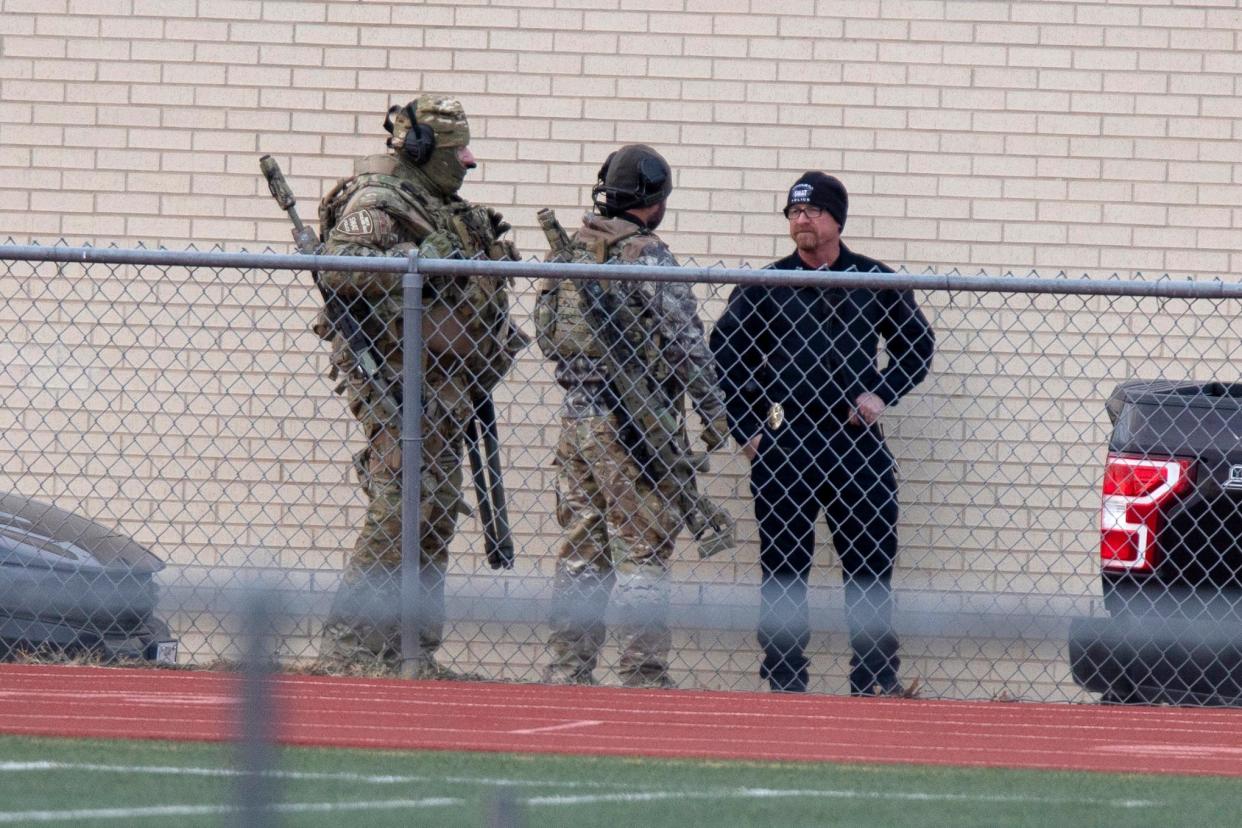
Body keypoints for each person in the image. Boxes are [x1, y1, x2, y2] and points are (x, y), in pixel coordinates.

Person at [313, 94, 525, 678]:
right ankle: (350, 649)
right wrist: (417, 260)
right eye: (458, 151)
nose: (468, 162)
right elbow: (338, 265)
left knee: (433, 512)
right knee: (398, 508)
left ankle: (411, 651)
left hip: (445, 387)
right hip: (398, 383)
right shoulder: (381, 198)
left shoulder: (435, 201)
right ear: (423, 148)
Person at [710, 171, 934, 695]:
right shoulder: (767, 284)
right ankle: (785, 677)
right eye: (793, 212)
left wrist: (881, 393)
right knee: (783, 569)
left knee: (871, 565)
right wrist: (749, 432)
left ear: (836, 219)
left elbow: (916, 348)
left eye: (810, 211)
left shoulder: (873, 280)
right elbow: (726, 361)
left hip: (856, 445)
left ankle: (874, 677)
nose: (800, 220)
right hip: (787, 443)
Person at [534, 144, 731, 687]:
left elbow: (549, 335)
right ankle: (644, 675)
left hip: (577, 419)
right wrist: (713, 411)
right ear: (653, 196)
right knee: (642, 548)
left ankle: (567, 672)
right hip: (633, 422)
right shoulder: (646, 254)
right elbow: (687, 340)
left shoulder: (570, 251)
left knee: (583, 552)